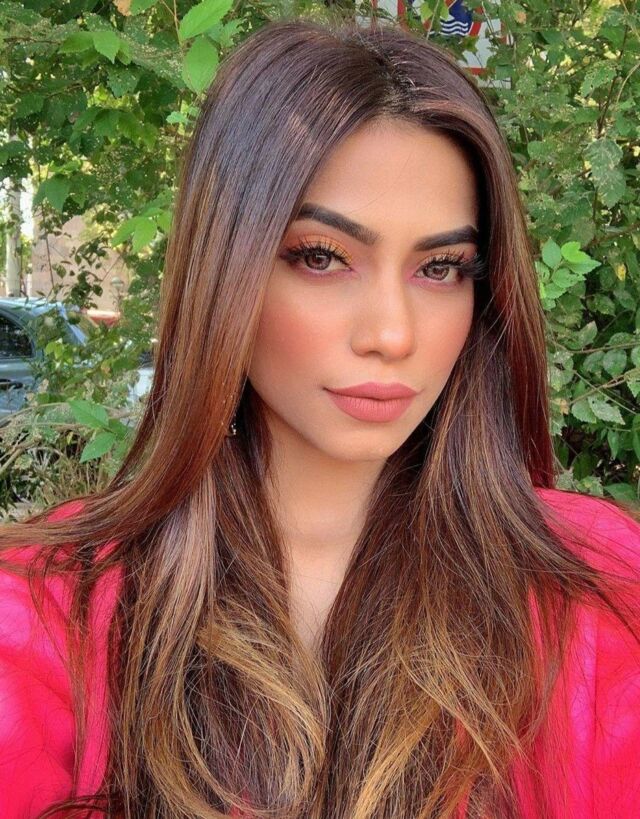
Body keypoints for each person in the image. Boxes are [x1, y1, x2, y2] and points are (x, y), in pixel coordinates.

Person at [0, 15, 639, 819]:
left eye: (441, 267)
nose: (392, 334)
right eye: (321, 256)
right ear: (227, 269)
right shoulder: (47, 619)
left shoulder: (596, 596)